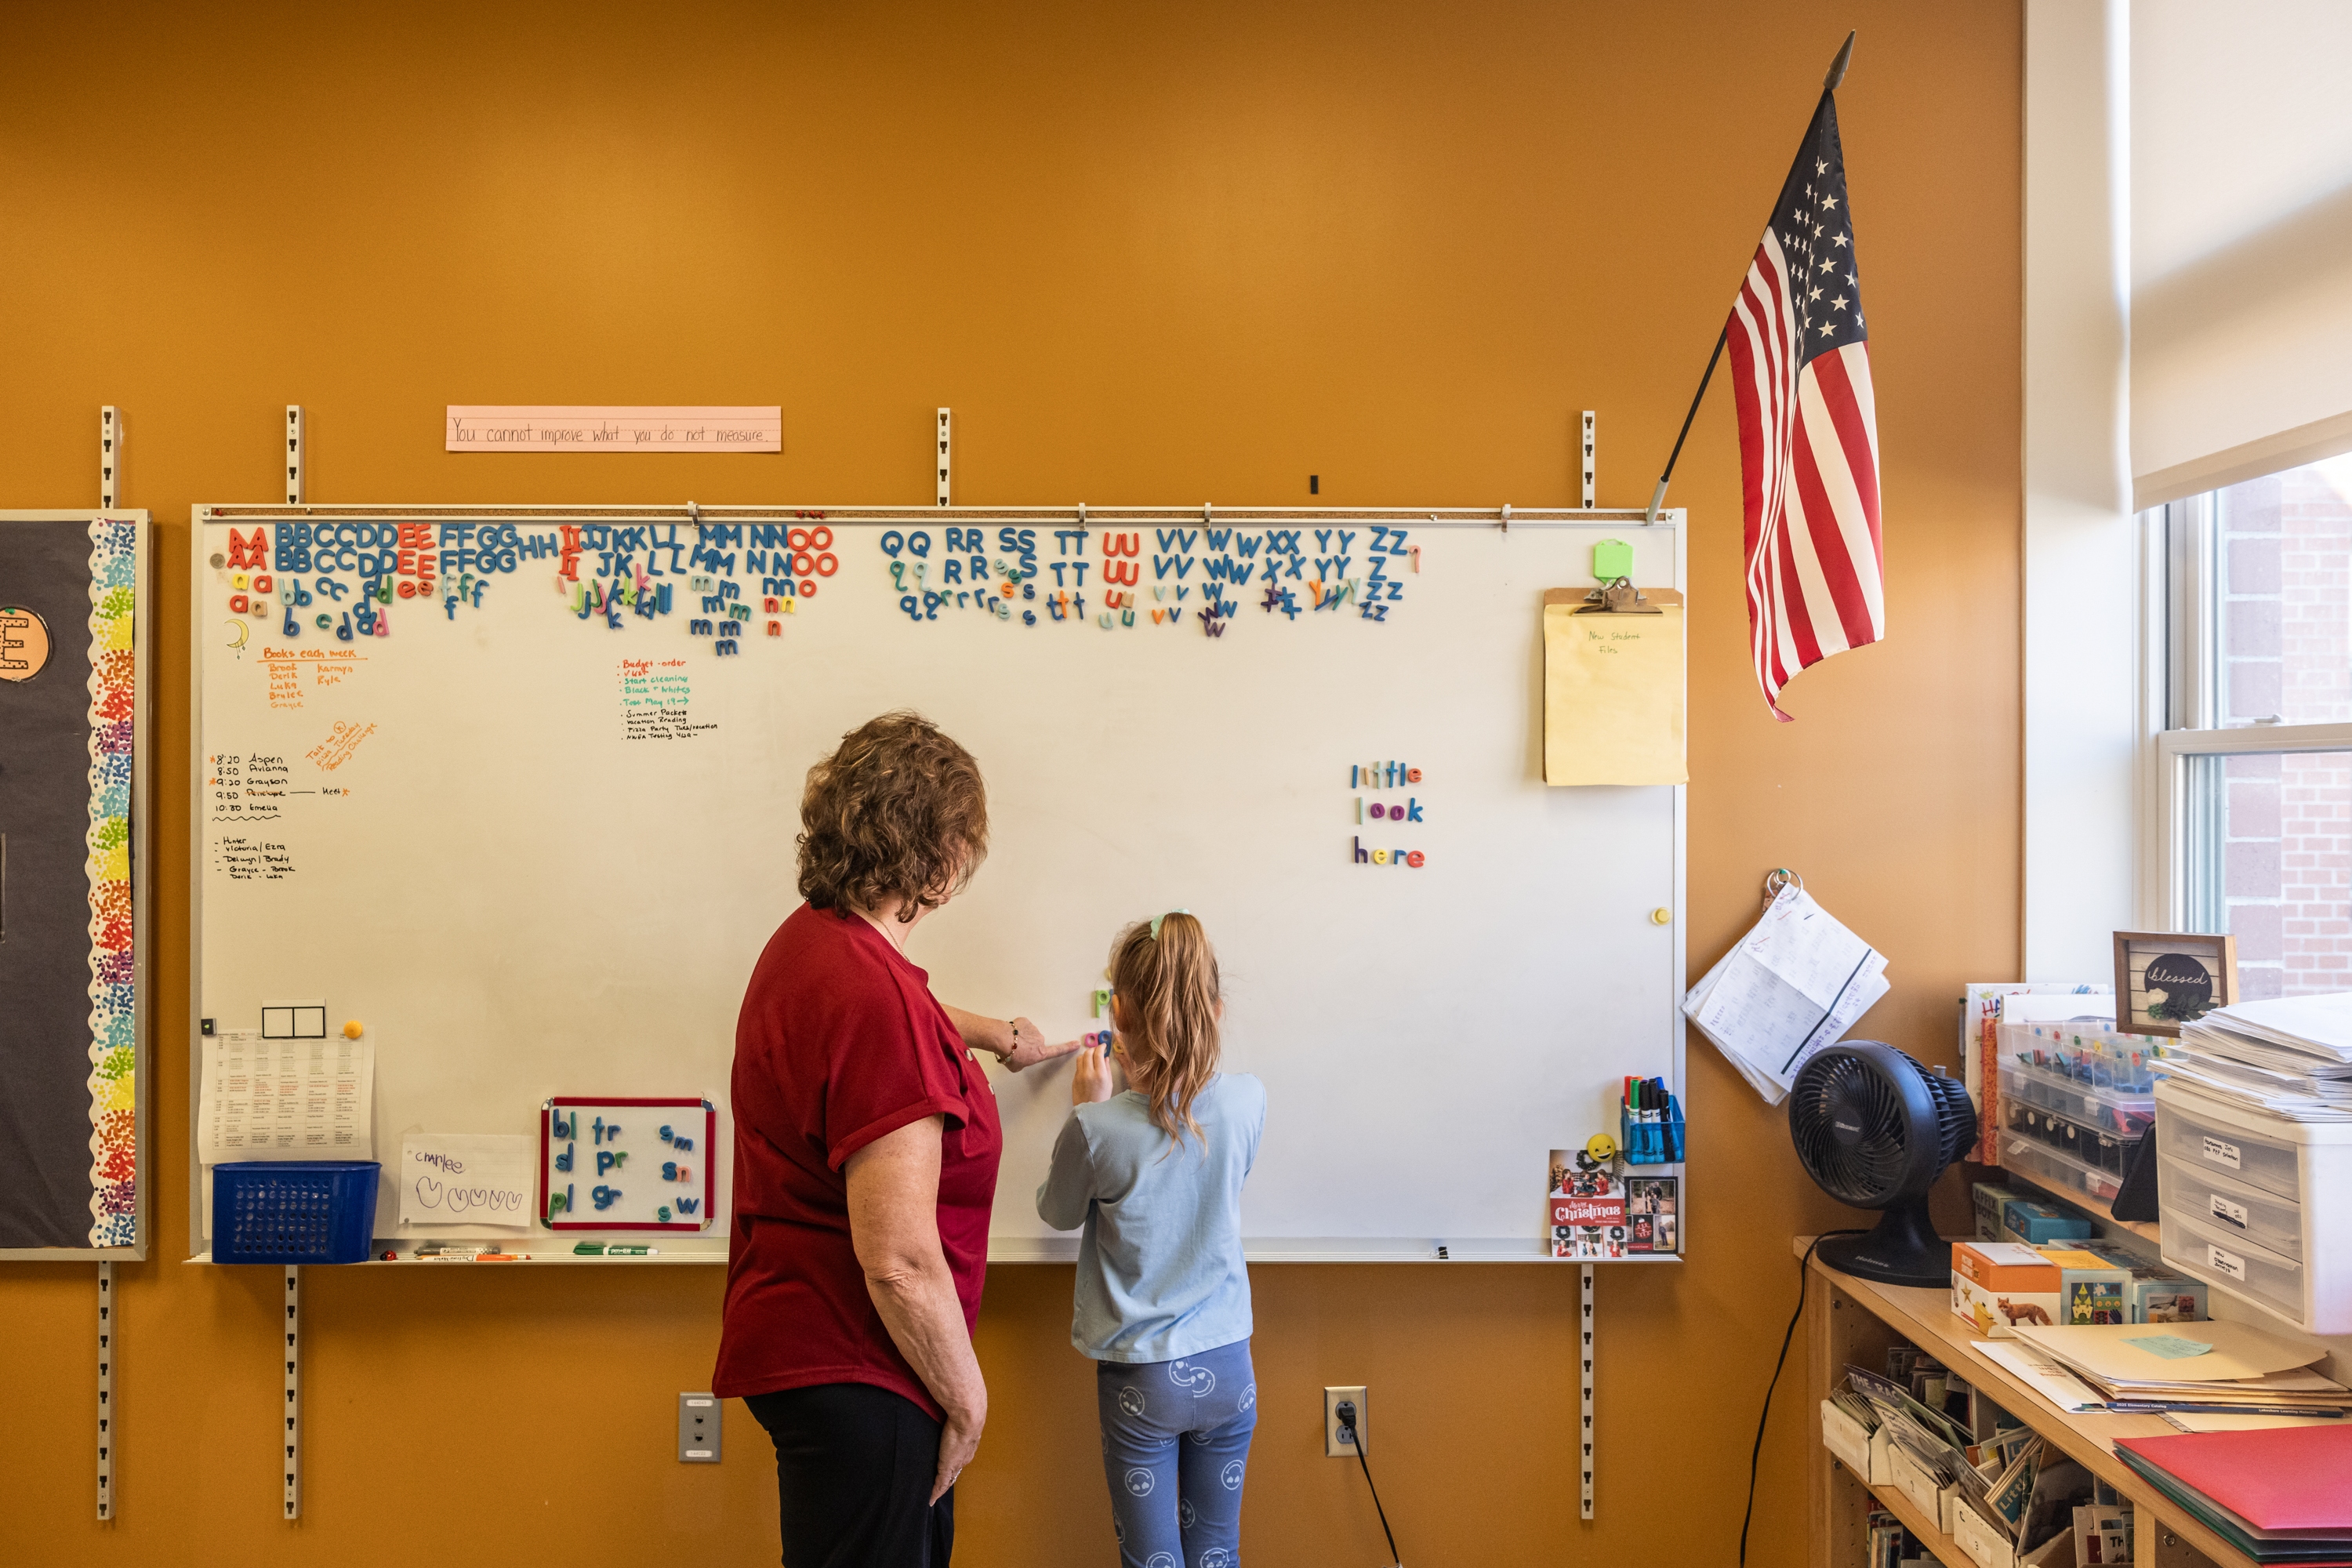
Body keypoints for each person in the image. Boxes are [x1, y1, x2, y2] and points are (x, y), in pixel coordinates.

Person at [715, 711, 1077, 1567]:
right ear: (942, 864)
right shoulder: (876, 1003)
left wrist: (992, 1033)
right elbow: (900, 1260)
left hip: (807, 1347)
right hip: (864, 1360)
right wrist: (969, 1398)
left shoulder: (811, 945)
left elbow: (885, 1010)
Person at [1036, 912, 1267, 1568]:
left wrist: (1086, 1106)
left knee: (1152, 1559)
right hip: (1230, 1367)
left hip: (1145, 1377)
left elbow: (1057, 1212)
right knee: (1218, 1550)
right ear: (1216, 1011)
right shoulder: (1249, 1102)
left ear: (1120, 1015)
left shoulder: (1097, 1128)